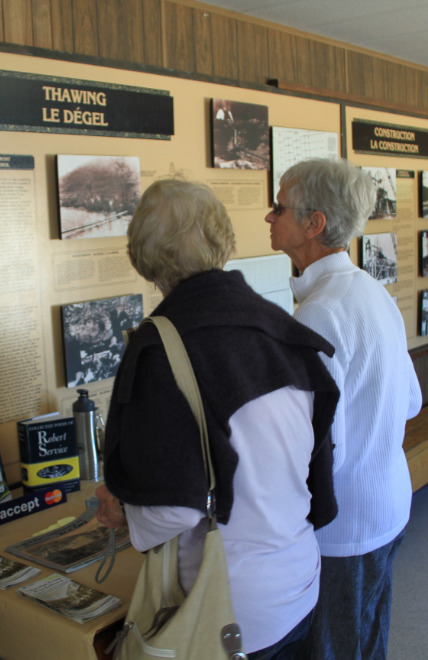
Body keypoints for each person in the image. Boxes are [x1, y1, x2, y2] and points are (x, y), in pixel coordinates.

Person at [96, 178, 341, 660]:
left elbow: (174, 510)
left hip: (226, 611)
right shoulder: (277, 326)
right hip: (299, 580)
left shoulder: (161, 350)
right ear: (223, 241)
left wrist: (121, 511)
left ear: (143, 257)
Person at [265, 158, 423, 660]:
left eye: (279, 207)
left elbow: (315, 444)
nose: (269, 218)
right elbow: (412, 401)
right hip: (388, 503)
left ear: (314, 224)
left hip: (346, 527)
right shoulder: (370, 291)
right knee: (368, 638)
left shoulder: (320, 312)